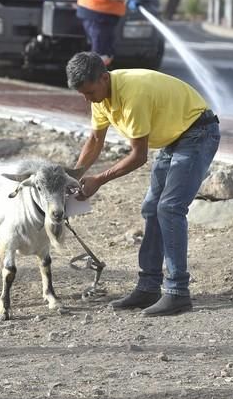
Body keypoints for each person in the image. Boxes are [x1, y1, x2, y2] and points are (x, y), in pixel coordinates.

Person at [66, 51, 220, 317]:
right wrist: (75, 176)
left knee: (170, 208)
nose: (87, 99)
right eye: (82, 94)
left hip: (198, 133)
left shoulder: (132, 95)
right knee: (151, 208)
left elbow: (138, 156)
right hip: (174, 137)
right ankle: (149, 286)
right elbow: (95, 141)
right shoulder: (101, 96)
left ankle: (177, 292)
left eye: (89, 92)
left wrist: (99, 181)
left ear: (104, 78)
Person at [76, 0, 131, 67]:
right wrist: (126, 0)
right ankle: (92, 80)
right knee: (100, 54)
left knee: (106, 53)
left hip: (98, 13)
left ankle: (99, 78)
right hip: (98, 13)